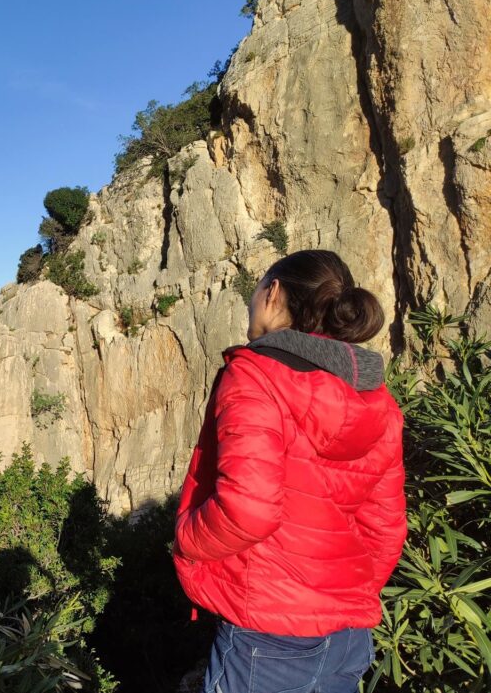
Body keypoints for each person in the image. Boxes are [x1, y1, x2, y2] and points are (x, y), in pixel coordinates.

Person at [173, 250, 408, 693]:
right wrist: (339, 594)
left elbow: (249, 511)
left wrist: (186, 537)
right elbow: (387, 528)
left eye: (256, 290)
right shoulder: (378, 400)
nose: (251, 303)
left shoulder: (256, 379)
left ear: (273, 293)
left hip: (269, 633)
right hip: (348, 635)